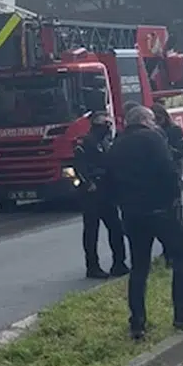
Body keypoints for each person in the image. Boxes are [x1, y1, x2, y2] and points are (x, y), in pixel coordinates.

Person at [104, 105, 183, 340]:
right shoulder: (153, 138)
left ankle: (137, 323)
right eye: (152, 120)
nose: (154, 124)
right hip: (160, 210)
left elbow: (108, 182)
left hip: (132, 214)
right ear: (145, 120)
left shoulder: (117, 144)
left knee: (139, 268)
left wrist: (123, 205)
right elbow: (168, 172)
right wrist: (173, 201)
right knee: (182, 257)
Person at [73, 110, 128, 279]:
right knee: (92, 230)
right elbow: (79, 166)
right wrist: (88, 183)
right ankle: (92, 266)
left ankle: (119, 263)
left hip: (107, 191)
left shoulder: (105, 142)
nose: (108, 127)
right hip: (92, 192)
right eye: (106, 123)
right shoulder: (86, 142)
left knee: (116, 228)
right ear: (97, 124)